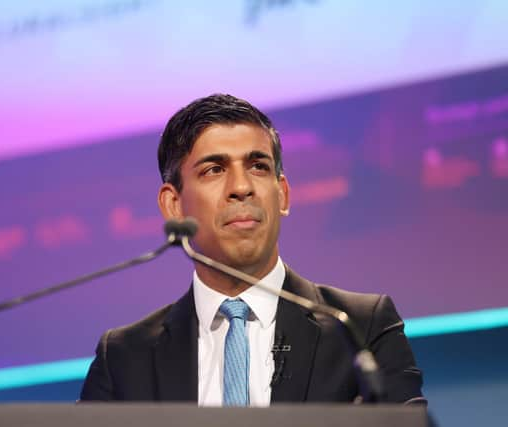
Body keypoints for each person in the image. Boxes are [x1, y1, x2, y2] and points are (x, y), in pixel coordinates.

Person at [80, 94, 425, 405]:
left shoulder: (357, 328)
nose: (242, 187)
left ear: (283, 194)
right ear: (173, 205)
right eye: (214, 169)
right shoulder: (125, 358)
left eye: (258, 166)